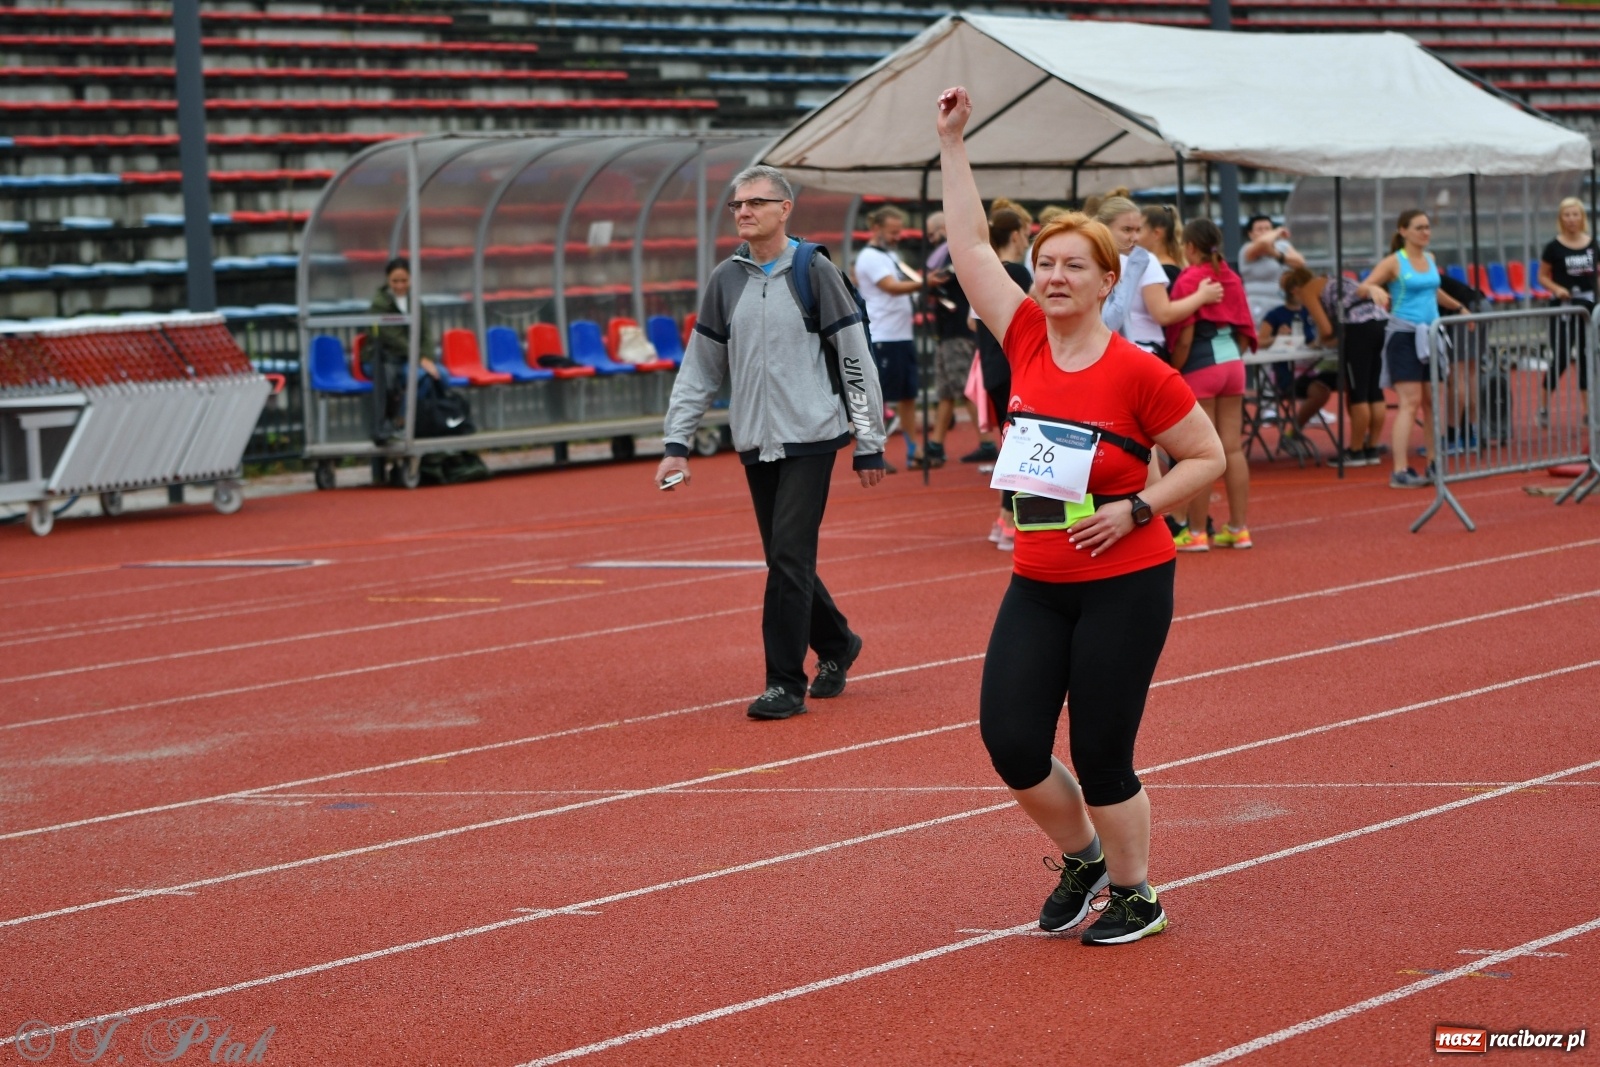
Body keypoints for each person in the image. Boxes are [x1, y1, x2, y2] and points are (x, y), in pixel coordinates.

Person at [938, 85, 1226, 946]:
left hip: (1124, 583)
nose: (1055, 276)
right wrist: (952, 142)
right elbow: (968, 248)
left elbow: (1206, 456)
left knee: (1102, 755)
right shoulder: (1024, 333)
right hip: (1036, 580)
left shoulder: (1140, 371)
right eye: (1046, 263)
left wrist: (1137, 506)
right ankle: (1084, 858)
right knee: (1012, 742)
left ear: (1108, 280)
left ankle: (1137, 895)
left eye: (1073, 266)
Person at [656, 164, 888, 721]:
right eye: (737, 204)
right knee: (784, 558)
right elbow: (701, 366)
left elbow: (854, 359)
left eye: (756, 202)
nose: (743, 211)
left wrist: (869, 440)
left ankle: (784, 683)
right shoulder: (725, 280)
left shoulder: (814, 271)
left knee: (787, 556)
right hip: (755, 440)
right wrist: (676, 442)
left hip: (812, 435)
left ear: (785, 209)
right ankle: (837, 642)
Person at [1166, 217, 1258, 550]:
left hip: (1200, 366)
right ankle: (1239, 528)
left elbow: (1184, 334)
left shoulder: (1191, 278)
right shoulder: (1230, 276)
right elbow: (1245, 328)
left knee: (1199, 453)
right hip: (1233, 363)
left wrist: (1175, 368)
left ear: (1190, 247)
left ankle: (1196, 533)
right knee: (1232, 448)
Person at [1360, 210, 1467, 488]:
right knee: (1410, 402)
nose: (1425, 232)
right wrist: (1373, 289)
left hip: (1431, 335)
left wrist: (1458, 307)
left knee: (1432, 401)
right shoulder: (1394, 262)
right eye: (1419, 228)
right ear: (1403, 231)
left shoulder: (1429, 258)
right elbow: (1363, 287)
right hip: (1404, 337)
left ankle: (1433, 463)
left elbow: (1433, 291)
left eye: (1427, 227)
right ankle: (1399, 470)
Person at [1280, 266, 1390, 466]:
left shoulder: (1309, 290)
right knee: (1375, 391)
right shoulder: (1331, 281)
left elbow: (1326, 329)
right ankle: (1372, 447)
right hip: (1381, 322)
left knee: (1358, 393)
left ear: (1295, 290)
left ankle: (1355, 451)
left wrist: (1319, 342)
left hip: (1359, 328)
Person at [971, 207, 1035, 551]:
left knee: (1010, 444)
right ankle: (1011, 522)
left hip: (992, 367)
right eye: (1026, 232)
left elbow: (972, 321)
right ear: (1015, 235)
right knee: (1019, 447)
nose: (1027, 239)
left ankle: (1002, 519)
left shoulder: (986, 272)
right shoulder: (1016, 272)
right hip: (1012, 366)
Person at [1095, 196, 1223, 364]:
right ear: (1103, 228)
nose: (1135, 237)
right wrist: (1202, 296)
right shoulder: (1134, 260)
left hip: (1134, 352)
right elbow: (1162, 314)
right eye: (1127, 230)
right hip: (1134, 352)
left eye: (1138, 230)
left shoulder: (1141, 260)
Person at [855, 205, 923, 471]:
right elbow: (891, 287)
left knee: (908, 396)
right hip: (883, 335)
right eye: (893, 232)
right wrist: (925, 283)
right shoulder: (869, 257)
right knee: (879, 397)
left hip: (901, 335)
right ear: (876, 229)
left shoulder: (891, 255)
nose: (898, 236)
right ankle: (874, 451)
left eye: (899, 231)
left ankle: (913, 450)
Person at [922, 211, 992, 468]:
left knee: (964, 388)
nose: (930, 239)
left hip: (958, 330)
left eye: (933, 234)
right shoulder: (941, 254)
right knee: (946, 391)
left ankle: (987, 442)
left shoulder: (956, 251)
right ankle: (936, 444)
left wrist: (928, 282)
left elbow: (946, 276)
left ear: (944, 228)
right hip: (946, 331)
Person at [366, 258, 443, 443]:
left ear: (410, 279)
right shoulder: (379, 304)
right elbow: (394, 339)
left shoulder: (415, 302)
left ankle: (414, 421)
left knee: (440, 376)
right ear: (387, 280)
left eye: (404, 280)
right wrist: (420, 358)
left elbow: (425, 333)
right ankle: (399, 421)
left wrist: (427, 357)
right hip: (387, 359)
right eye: (395, 281)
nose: (400, 285)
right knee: (417, 376)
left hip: (409, 358)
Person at [1537, 196, 1595, 426]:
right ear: (1561, 218)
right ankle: (1543, 406)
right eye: (1567, 215)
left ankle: (1588, 412)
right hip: (1563, 310)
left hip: (1588, 309)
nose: (1571, 219)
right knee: (1560, 358)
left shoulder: (1592, 244)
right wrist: (1557, 289)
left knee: (1586, 358)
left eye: (1575, 214)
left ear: (1582, 217)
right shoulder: (1553, 247)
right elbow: (1542, 276)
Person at [1238, 215, 1307, 323]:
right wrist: (1278, 231)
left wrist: (1276, 255)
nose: (1265, 232)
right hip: (1257, 304)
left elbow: (1300, 262)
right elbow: (1263, 243)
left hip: (1281, 302)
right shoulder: (1247, 249)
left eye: (1267, 228)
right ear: (1250, 234)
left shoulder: (1282, 246)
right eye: (1259, 229)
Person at [1138, 204, 1185, 287]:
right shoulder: (1158, 267)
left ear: (1156, 233)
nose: (1134, 236)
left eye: (1138, 230)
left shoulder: (1167, 272)